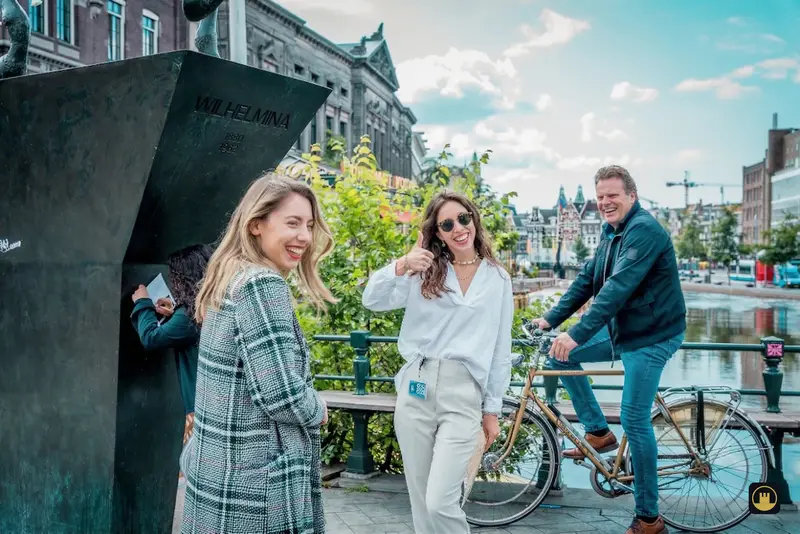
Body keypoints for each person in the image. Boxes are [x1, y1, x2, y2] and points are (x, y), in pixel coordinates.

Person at [180, 173, 336, 534]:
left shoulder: (230, 277)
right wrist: (318, 408)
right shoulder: (261, 284)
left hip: (222, 473)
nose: (304, 237)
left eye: (309, 225)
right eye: (292, 223)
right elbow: (281, 395)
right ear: (256, 225)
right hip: (257, 488)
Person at [534, 165, 686, 534]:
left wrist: (577, 334)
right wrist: (550, 321)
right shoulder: (611, 232)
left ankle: (649, 518)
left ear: (632, 196)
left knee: (635, 419)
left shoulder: (644, 232)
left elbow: (616, 289)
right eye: (600, 197)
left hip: (652, 334)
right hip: (625, 328)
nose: (605, 203)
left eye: (612, 196)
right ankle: (599, 432)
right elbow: (587, 280)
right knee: (558, 355)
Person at [362, 190, 514, 533]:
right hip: (417, 387)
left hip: (463, 394)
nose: (459, 228)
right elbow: (372, 299)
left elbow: (500, 350)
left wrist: (492, 410)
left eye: (464, 218)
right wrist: (402, 264)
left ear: (474, 219)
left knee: (440, 500)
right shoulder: (424, 270)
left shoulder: (498, 278)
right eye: (447, 224)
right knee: (420, 497)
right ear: (438, 233)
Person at [130, 244, 213, 450]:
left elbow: (150, 337)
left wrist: (143, 302)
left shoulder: (188, 317)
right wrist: (175, 310)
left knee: (193, 472)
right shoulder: (208, 306)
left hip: (201, 411)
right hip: (216, 405)